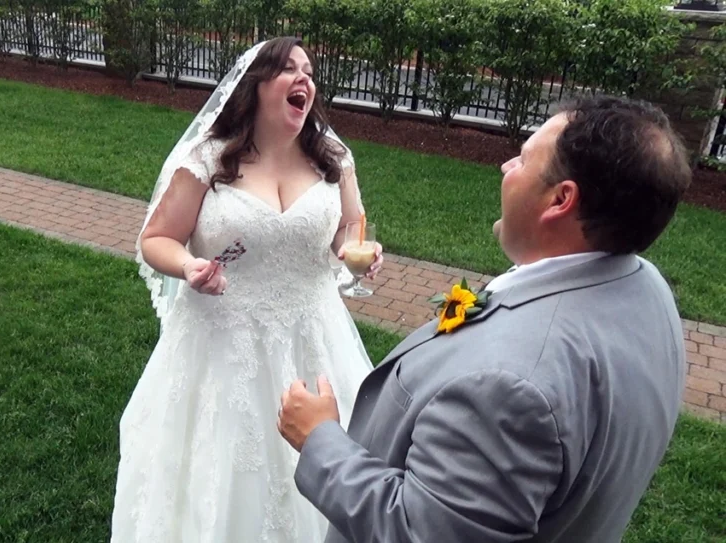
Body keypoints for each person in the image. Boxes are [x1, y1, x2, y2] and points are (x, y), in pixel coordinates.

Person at [278, 96, 692, 543]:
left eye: (524, 158)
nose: (505, 165)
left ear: (560, 199)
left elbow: (419, 532)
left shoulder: (511, 389)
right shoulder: (647, 289)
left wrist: (320, 439)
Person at [111, 37, 382, 542]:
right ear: (255, 85)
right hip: (221, 347)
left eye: (310, 71)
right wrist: (189, 264)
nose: (305, 79)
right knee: (222, 476)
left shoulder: (333, 158)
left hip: (313, 340)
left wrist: (353, 250)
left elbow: (350, 227)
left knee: (321, 473)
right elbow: (156, 239)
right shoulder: (209, 158)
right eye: (289, 70)